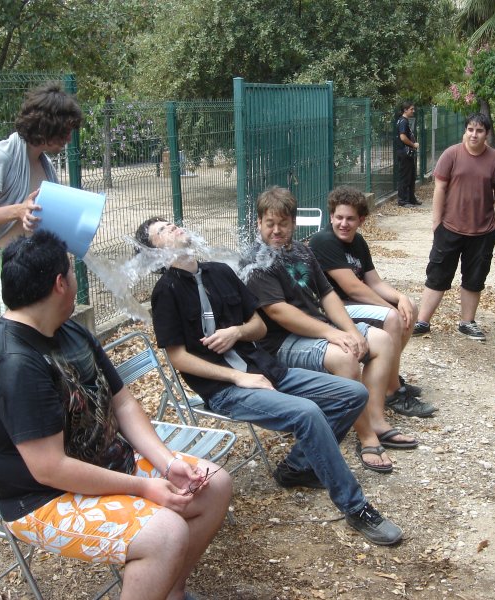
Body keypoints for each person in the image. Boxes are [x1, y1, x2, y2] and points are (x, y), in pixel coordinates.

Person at [0, 230, 231, 600]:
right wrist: (144, 487)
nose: (77, 279)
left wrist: (168, 463)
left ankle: (170, 591)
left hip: (108, 465)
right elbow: (50, 469)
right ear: (61, 284)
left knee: (213, 485)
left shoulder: (69, 330)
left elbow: (122, 403)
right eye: (72, 271)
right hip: (45, 498)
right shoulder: (15, 363)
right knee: (165, 533)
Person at [136, 218, 404, 546]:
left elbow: (259, 327)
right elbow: (179, 358)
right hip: (227, 388)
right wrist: (239, 376)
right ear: (154, 254)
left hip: (268, 369)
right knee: (307, 414)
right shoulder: (166, 292)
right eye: (161, 231)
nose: (172, 227)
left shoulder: (220, 272)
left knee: (354, 393)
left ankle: (298, 466)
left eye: (170, 222)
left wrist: (237, 332)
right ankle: (355, 506)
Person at [246, 187, 435, 475]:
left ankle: (376, 420)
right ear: (259, 223)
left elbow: (327, 295)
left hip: (314, 330)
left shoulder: (301, 251)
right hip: (281, 342)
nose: (276, 230)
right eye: (269, 223)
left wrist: (350, 329)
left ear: (293, 223)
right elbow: (278, 312)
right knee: (346, 357)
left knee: (382, 341)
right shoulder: (256, 261)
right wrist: (332, 334)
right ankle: (367, 437)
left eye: (283, 223)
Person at [0, 82, 83, 320]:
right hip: (12, 266)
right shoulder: (0, 157)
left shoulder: (44, 164)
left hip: (44, 264)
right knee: (17, 337)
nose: (69, 138)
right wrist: (18, 210)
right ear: (46, 125)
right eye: (64, 131)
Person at [308, 184, 423, 405]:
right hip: (333, 308)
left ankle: (386, 376)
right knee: (392, 317)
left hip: (352, 303)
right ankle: (392, 391)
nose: (343, 223)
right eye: (339, 217)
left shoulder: (358, 242)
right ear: (331, 216)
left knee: (410, 307)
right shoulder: (323, 241)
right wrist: (390, 308)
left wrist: (401, 299)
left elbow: (374, 282)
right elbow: (353, 287)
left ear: (361, 220)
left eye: (350, 219)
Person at [412, 113, 495, 341]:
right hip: (449, 227)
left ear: (487, 133)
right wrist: (437, 223)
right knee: (437, 274)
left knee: (475, 278)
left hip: (482, 230)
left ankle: (467, 322)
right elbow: (440, 189)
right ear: (465, 130)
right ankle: (422, 321)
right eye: (470, 129)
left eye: (479, 131)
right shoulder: (451, 154)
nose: (474, 134)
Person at [394, 101, 421, 207]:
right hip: (404, 153)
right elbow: (403, 137)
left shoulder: (403, 120)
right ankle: (403, 200)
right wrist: (413, 145)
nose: (413, 111)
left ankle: (411, 198)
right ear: (405, 110)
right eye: (411, 109)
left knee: (411, 176)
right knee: (405, 177)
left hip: (406, 153)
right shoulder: (403, 122)